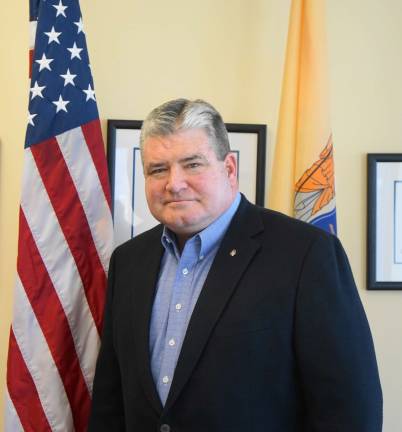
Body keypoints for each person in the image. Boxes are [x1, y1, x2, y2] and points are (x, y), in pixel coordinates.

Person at [89, 99, 382, 432]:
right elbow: (110, 402)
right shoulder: (128, 261)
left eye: (192, 164)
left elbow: (349, 411)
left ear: (229, 169)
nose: (174, 183)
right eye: (158, 169)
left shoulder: (306, 254)